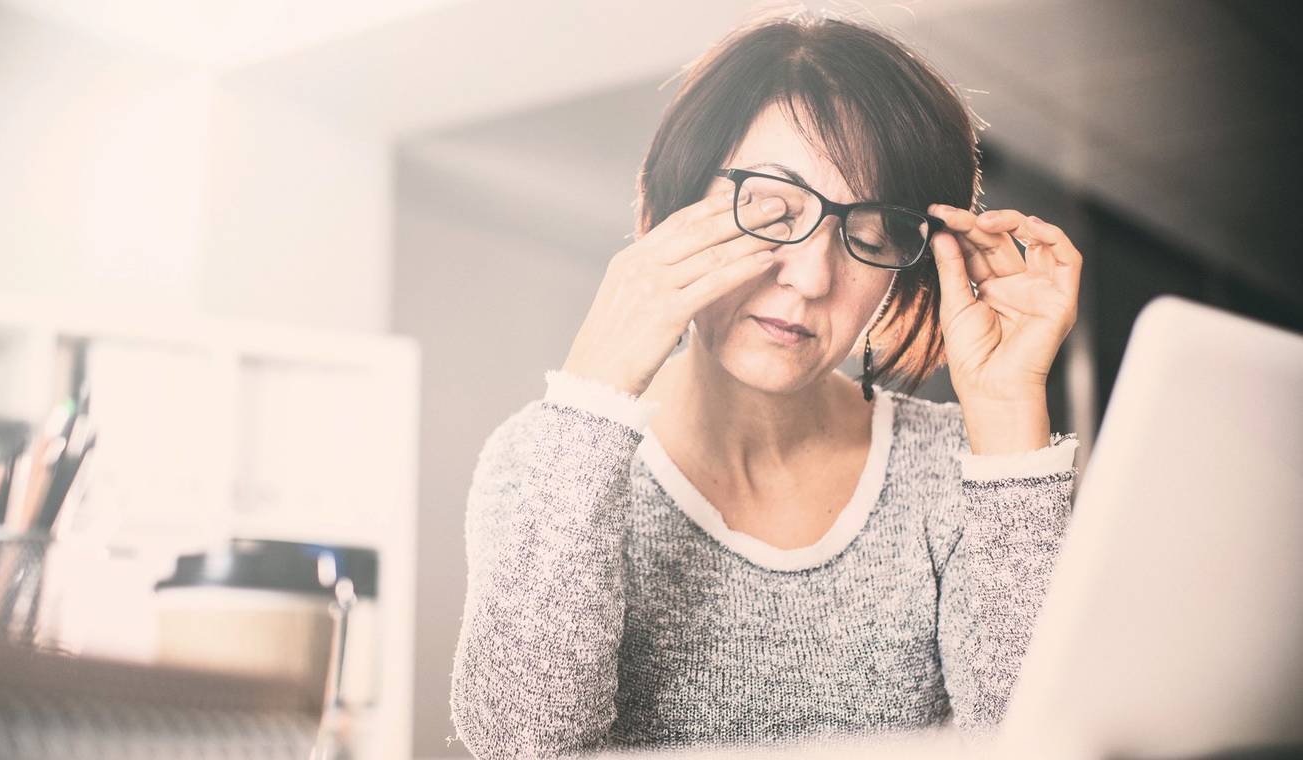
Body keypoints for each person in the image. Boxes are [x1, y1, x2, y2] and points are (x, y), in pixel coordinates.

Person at [450, 8, 1084, 759]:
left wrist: (1010, 417)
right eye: (771, 208)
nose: (812, 277)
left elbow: (1041, 741)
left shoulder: (958, 469)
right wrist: (593, 390)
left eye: (870, 234)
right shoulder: (544, 456)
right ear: (672, 204)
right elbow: (520, 744)